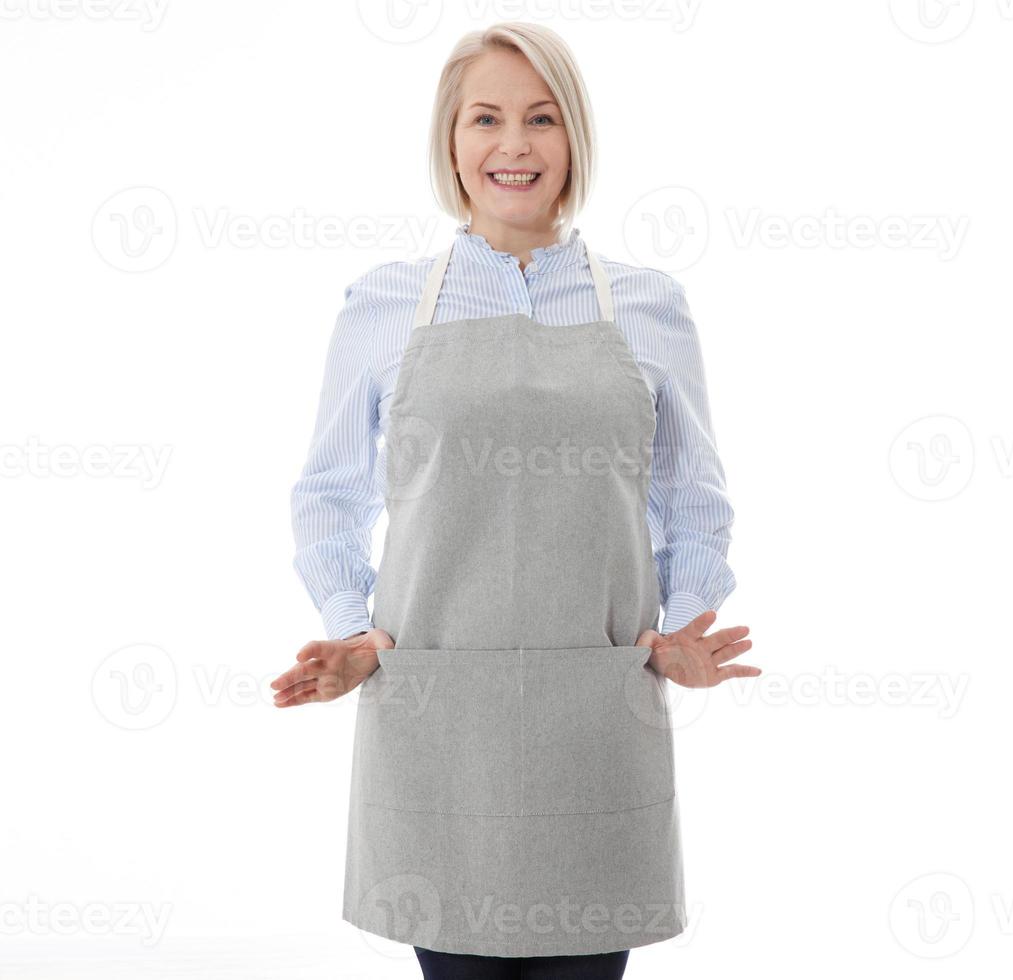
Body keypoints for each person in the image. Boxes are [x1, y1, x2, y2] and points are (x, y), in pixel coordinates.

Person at [270, 21, 757, 979]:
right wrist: (354, 633)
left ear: (574, 138)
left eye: (541, 118)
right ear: (450, 143)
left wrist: (678, 627)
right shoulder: (384, 303)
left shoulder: (648, 304)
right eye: (484, 118)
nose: (514, 145)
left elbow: (692, 495)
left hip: (595, 726)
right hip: (436, 729)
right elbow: (326, 495)